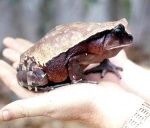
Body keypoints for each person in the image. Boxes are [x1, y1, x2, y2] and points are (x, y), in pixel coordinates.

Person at [0, 37, 150, 128]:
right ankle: (49, 84)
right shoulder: (83, 49)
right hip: (44, 67)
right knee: (41, 79)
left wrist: (134, 77)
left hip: (52, 57)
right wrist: (77, 80)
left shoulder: (94, 49)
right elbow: (73, 59)